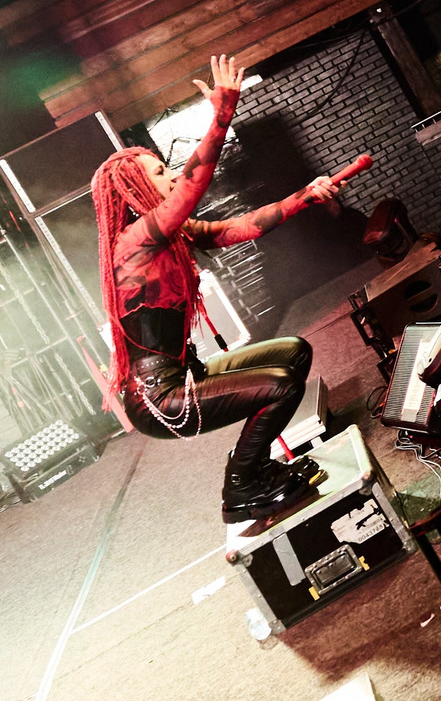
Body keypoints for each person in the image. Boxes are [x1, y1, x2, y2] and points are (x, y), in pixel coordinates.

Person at [94, 56, 358, 524]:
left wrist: (304, 196)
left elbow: (239, 227)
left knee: (293, 352)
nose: (172, 175)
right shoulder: (133, 243)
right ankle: (242, 486)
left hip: (184, 375)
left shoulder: (169, 235)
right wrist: (221, 116)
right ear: (133, 191)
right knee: (280, 388)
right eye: (159, 174)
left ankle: (253, 475)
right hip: (160, 398)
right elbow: (192, 187)